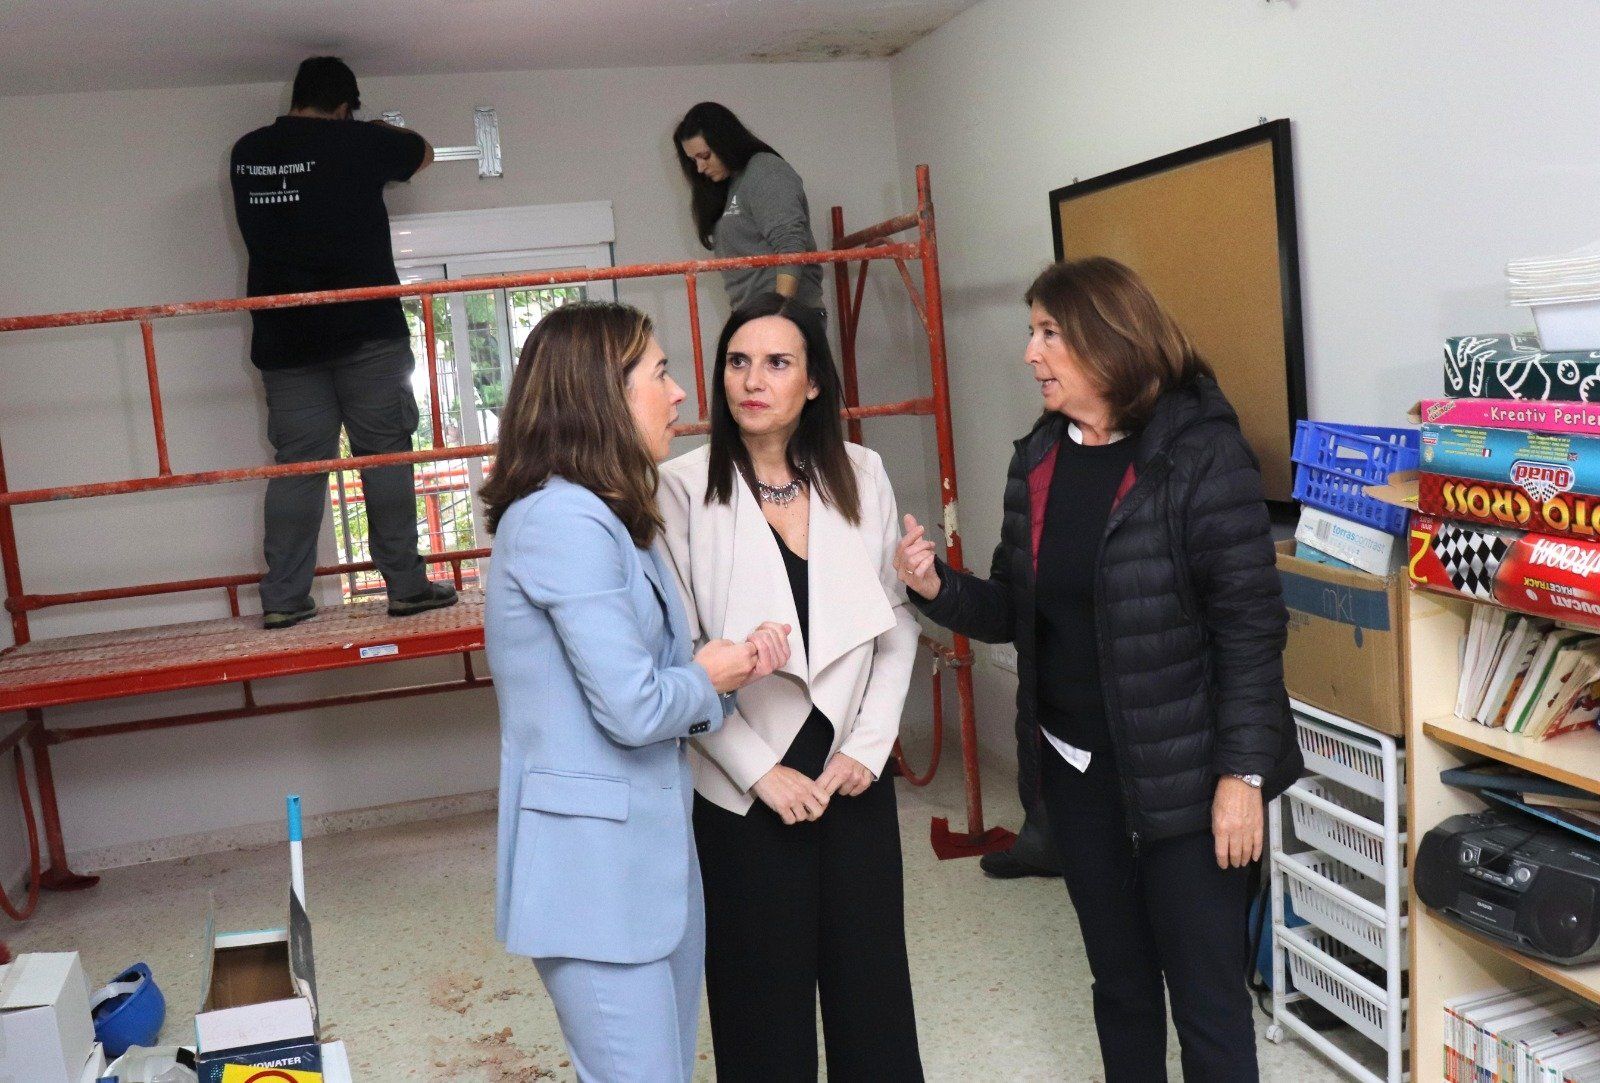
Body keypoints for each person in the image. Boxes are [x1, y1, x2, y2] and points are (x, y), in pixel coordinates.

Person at [895, 258, 1303, 1082]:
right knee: (1119, 988)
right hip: (1078, 778)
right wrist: (937, 585)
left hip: (1190, 782)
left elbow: (1251, 629)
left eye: (1047, 333)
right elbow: (1016, 606)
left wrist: (1243, 776)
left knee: (1209, 1004)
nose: (1029, 353)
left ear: (1106, 341)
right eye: (1033, 331)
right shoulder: (1039, 459)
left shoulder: (1200, 453)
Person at [482, 302, 792, 1083]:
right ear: (602, 394)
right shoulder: (561, 520)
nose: (682, 392)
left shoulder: (618, 516)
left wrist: (729, 667)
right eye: (659, 372)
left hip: (647, 867)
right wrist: (710, 674)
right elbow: (631, 706)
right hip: (593, 881)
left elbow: (664, 672)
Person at [658, 295, 924, 1082]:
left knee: (872, 1002)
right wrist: (755, 770)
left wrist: (870, 749)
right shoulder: (679, 490)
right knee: (759, 1014)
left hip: (851, 778)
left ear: (813, 383)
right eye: (738, 361)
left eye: (777, 362)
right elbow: (681, 658)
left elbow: (896, 623)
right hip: (746, 792)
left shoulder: (861, 472)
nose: (753, 379)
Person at [230, 56, 457, 629]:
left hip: (285, 343)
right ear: (344, 107)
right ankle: (407, 587)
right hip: (367, 336)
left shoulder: (247, 153)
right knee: (383, 461)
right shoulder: (359, 143)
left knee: (298, 469)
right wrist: (377, 131)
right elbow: (422, 152)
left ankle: (283, 598)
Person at [673, 102, 826, 315]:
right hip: (753, 317)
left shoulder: (765, 171)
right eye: (693, 160)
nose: (699, 168)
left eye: (705, 156)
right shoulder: (726, 186)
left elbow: (790, 244)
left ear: (724, 142)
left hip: (786, 317)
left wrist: (777, 316)